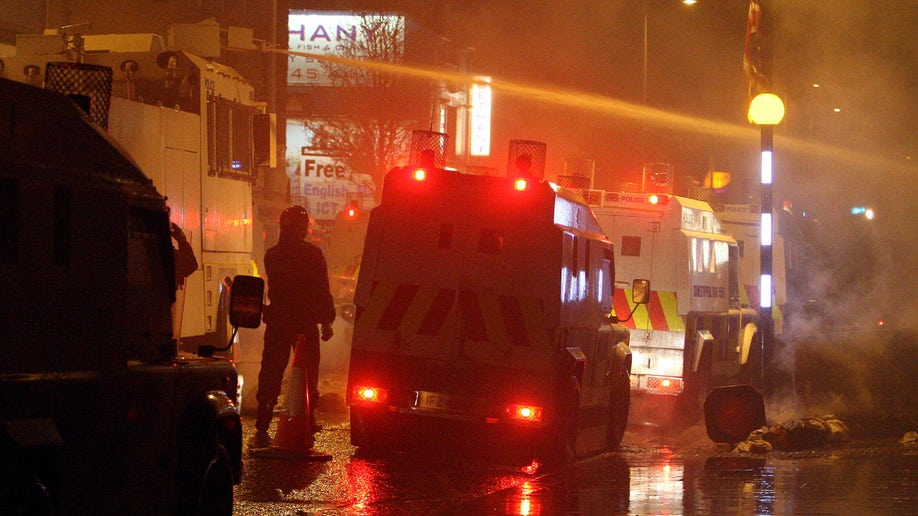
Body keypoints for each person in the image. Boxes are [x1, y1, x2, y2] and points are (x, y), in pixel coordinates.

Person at [251, 205, 336, 448]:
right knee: (307, 371)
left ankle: (264, 412)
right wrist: (326, 320)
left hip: (278, 319)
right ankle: (307, 416)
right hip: (304, 322)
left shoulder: (272, 255)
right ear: (304, 228)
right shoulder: (313, 254)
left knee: (271, 367)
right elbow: (322, 289)